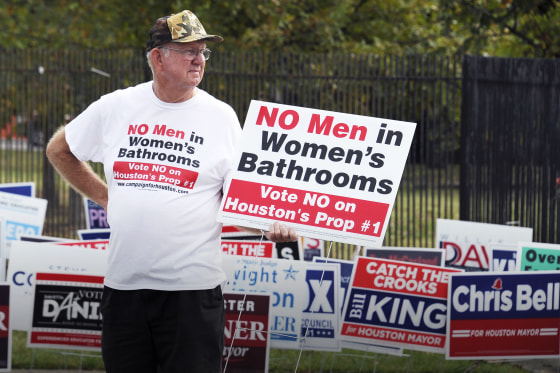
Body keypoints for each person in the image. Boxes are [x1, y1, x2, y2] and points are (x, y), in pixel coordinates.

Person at [46, 9, 297, 373]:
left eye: (203, 51)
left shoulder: (221, 116)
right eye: (188, 50)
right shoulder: (117, 106)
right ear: (157, 57)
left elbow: (238, 200)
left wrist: (269, 225)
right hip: (124, 289)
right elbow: (59, 149)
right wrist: (105, 196)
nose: (199, 59)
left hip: (192, 294)